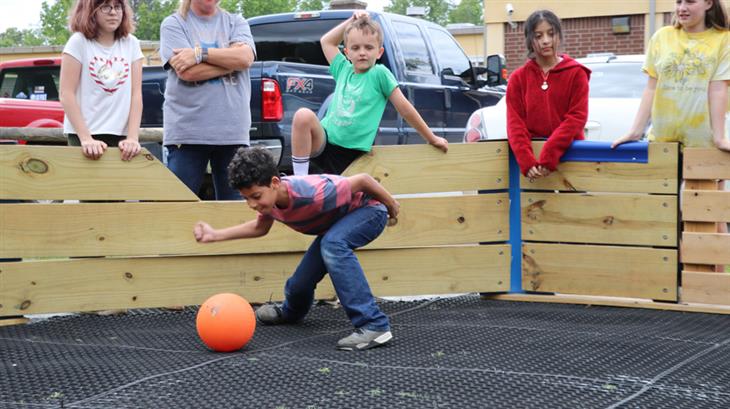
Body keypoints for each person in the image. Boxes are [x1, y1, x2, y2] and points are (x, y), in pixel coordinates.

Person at [194, 147, 399, 351]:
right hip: (335, 227)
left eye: (255, 196)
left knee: (333, 245)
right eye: (246, 198)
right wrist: (215, 235)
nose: (252, 204)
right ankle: (291, 312)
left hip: (369, 211)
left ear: (275, 183)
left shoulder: (314, 193)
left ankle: (373, 325)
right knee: (300, 284)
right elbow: (259, 228)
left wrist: (391, 206)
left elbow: (363, 180)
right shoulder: (271, 202)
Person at [612, 0, 729, 272]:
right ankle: (671, 285)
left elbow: (718, 89)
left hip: (702, 145)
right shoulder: (662, 38)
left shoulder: (723, 40)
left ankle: (715, 289)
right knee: (664, 217)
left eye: (690, 1)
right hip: (663, 143)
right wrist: (635, 130)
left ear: (708, 3)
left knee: (709, 215)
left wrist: (720, 138)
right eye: (678, 1)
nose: (682, 7)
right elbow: (651, 88)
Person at [290, 11, 448, 176]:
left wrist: (431, 138)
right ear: (347, 53)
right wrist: (353, 20)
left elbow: (405, 109)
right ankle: (300, 180)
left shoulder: (379, 74)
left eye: (369, 47)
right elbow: (327, 42)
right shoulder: (343, 69)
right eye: (356, 48)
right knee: (303, 116)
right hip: (325, 141)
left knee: (341, 197)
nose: (362, 52)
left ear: (379, 52)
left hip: (351, 153)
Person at [159, 0, 256, 199]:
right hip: (187, 134)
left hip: (233, 133)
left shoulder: (236, 22)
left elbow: (245, 58)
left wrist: (199, 54)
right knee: (178, 208)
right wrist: (231, 61)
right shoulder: (175, 24)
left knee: (233, 214)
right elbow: (188, 72)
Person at [506, 9, 590, 180]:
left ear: (558, 36)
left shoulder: (576, 73)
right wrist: (526, 161)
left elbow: (576, 117)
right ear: (530, 40)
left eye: (550, 34)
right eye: (538, 36)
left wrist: (550, 154)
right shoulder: (518, 78)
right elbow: (515, 124)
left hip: (570, 156)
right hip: (533, 165)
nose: (545, 41)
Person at [60, 0, 144, 161]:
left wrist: (133, 138)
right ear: (90, 11)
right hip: (84, 136)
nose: (113, 12)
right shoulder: (78, 42)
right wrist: (86, 139)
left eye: (117, 7)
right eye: (105, 7)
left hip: (122, 139)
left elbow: (136, 94)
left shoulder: (131, 43)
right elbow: (66, 94)